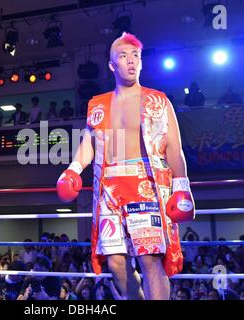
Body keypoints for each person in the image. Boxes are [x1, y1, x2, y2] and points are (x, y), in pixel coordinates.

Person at [56, 32, 195, 300]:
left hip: (146, 184)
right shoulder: (99, 105)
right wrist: (73, 169)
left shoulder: (158, 100)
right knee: (116, 262)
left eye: (136, 56)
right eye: (123, 56)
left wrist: (182, 186)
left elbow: (174, 148)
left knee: (150, 260)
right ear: (112, 65)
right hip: (109, 188)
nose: (131, 61)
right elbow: (89, 143)